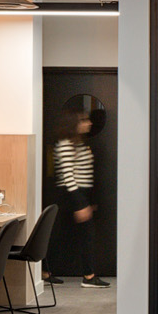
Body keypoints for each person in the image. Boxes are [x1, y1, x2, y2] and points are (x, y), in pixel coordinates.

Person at [47, 111, 107, 288]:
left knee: (68, 235)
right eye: (83, 120)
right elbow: (68, 177)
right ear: (73, 123)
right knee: (76, 235)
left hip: (82, 195)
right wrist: (80, 203)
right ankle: (88, 276)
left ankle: (47, 271)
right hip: (72, 195)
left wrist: (89, 201)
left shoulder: (80, 143)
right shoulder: (66, 144)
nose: (88, 123)